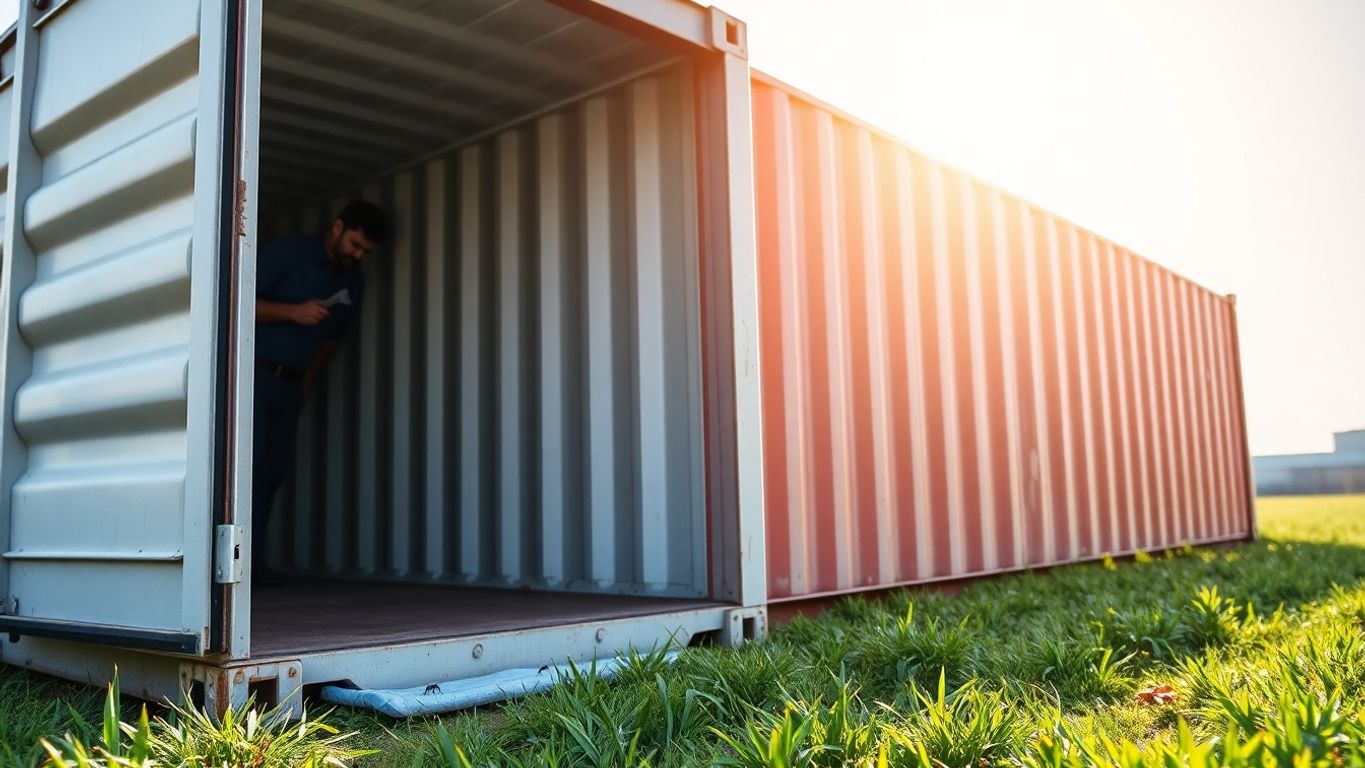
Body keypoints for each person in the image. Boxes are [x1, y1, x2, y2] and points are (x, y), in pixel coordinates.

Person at [252, 200, 386, 585]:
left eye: (366, 251)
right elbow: (235, 302)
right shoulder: (286, 253)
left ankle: (255, 565)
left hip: (291, 386)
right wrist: (293, 312)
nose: (359, 255)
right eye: (355, 245)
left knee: (272, 472)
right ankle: (224, 571)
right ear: (337, 227)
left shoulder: (352, 281)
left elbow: (331, 340)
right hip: (254, 378)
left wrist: (308, 380)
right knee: (242, 472)